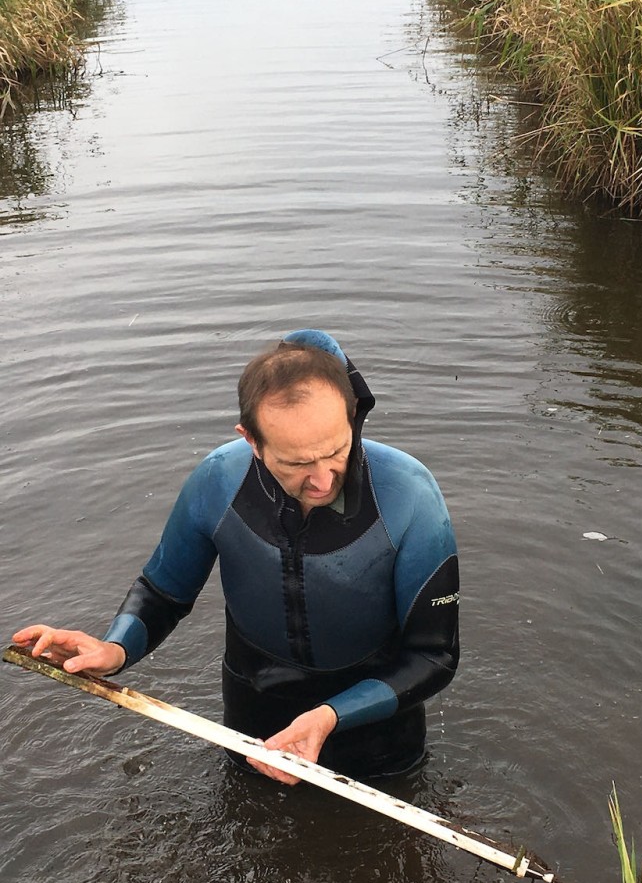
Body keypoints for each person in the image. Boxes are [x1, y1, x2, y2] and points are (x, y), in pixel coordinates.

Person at [13, 329, 460, 784]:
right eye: (295, 463)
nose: (323, 481)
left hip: (379, 734)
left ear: (351, 420)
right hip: (255, 716)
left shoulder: (409, 496)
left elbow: (434, 655)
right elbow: (163, 592)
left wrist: (329, 716)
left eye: (335, 452)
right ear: (251, 440)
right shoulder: (218, 481)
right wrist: (115, 648)